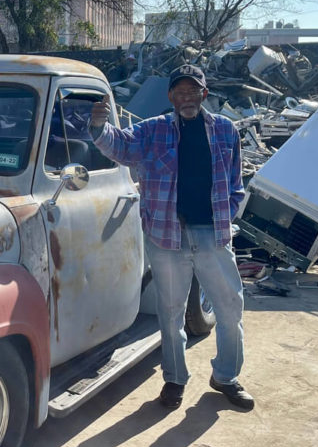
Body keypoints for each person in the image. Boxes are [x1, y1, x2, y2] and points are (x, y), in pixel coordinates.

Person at [89, 64, 254, 411]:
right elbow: (120, 147)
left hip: (213, 235)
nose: (187, 98)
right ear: (171, 97)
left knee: (229, 309)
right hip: (168, 237)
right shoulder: (154, 131)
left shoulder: (226, 130)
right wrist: (98, 125)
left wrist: (228, 212)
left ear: (204, 94)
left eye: (193, 91)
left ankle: (226, 377)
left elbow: (236, 181)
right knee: (170, 312)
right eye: (180, 92)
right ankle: (174, 380)